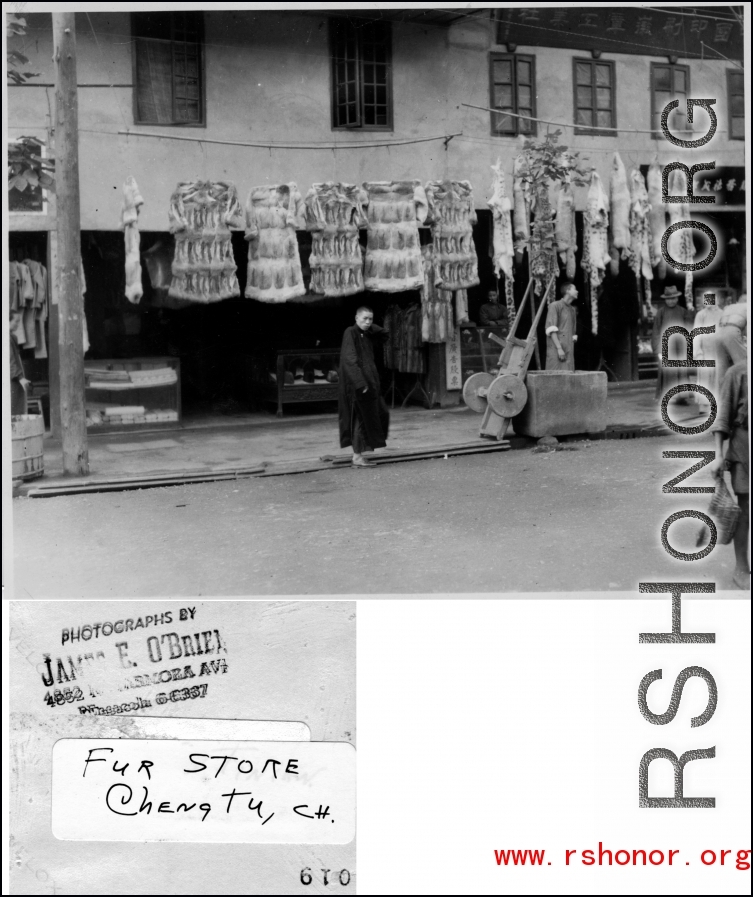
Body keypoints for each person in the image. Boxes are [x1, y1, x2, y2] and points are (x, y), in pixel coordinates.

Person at [710, 361, 749, 591]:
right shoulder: (738, 372)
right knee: (745, 510)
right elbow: (723, 416)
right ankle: (742, 568)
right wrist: (717, 456)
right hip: (744, 451)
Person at [338, 306, 390, 468]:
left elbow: (384, 334)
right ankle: (357, 456)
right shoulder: (350, 332)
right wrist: (360, 383)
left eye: (370, 319)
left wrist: (369, 326)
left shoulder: (366, 334)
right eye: (364, 319)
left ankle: (359, 454)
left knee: (380, 414)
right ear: (356, 318)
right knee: (361, 419)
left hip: (370, 383)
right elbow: (349, 359)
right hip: (358, 385)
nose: (368, 322)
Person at [651, 284, 692, 400]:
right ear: (665, 300)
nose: (671, 301)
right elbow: (656, 331)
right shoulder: (661, 312)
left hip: (681, 347)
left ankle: (681, 396)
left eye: (673, 298)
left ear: (677, 298)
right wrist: (658, 349)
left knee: (681, 372)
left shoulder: (683, 311)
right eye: (668, 299)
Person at [692, 292, 725, 414]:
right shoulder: (700, 315)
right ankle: (704, 405)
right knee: (704, 378)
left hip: (719, 351)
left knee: (718, 377)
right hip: (705, 350)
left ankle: (717, 404)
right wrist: (697, 351)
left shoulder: (722, 314)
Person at [715, 291, 747, 386]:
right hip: (732, 332)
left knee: (722, 369)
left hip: (718, 334)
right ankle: (743, 396)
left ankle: (722, 398)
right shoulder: (747, 306)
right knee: (742, 365)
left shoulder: (729, 307)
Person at [545, 282, 578, 371]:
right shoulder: (555, 306)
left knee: (568, 377)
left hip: (568, 351)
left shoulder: (572, 310)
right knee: (554, 377)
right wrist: (559, 349)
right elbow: (551, 329)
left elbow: (572, 332)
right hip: (556, 350)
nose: (577, 291)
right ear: (567, 291)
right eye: (574, 289)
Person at [9, 311, 29, 416]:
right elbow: (10, 360)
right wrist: (20, 377)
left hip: (15, 376)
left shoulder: (12, 337)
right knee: (13, 406)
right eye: (15, 321)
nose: (17, 324)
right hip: (12, 378)